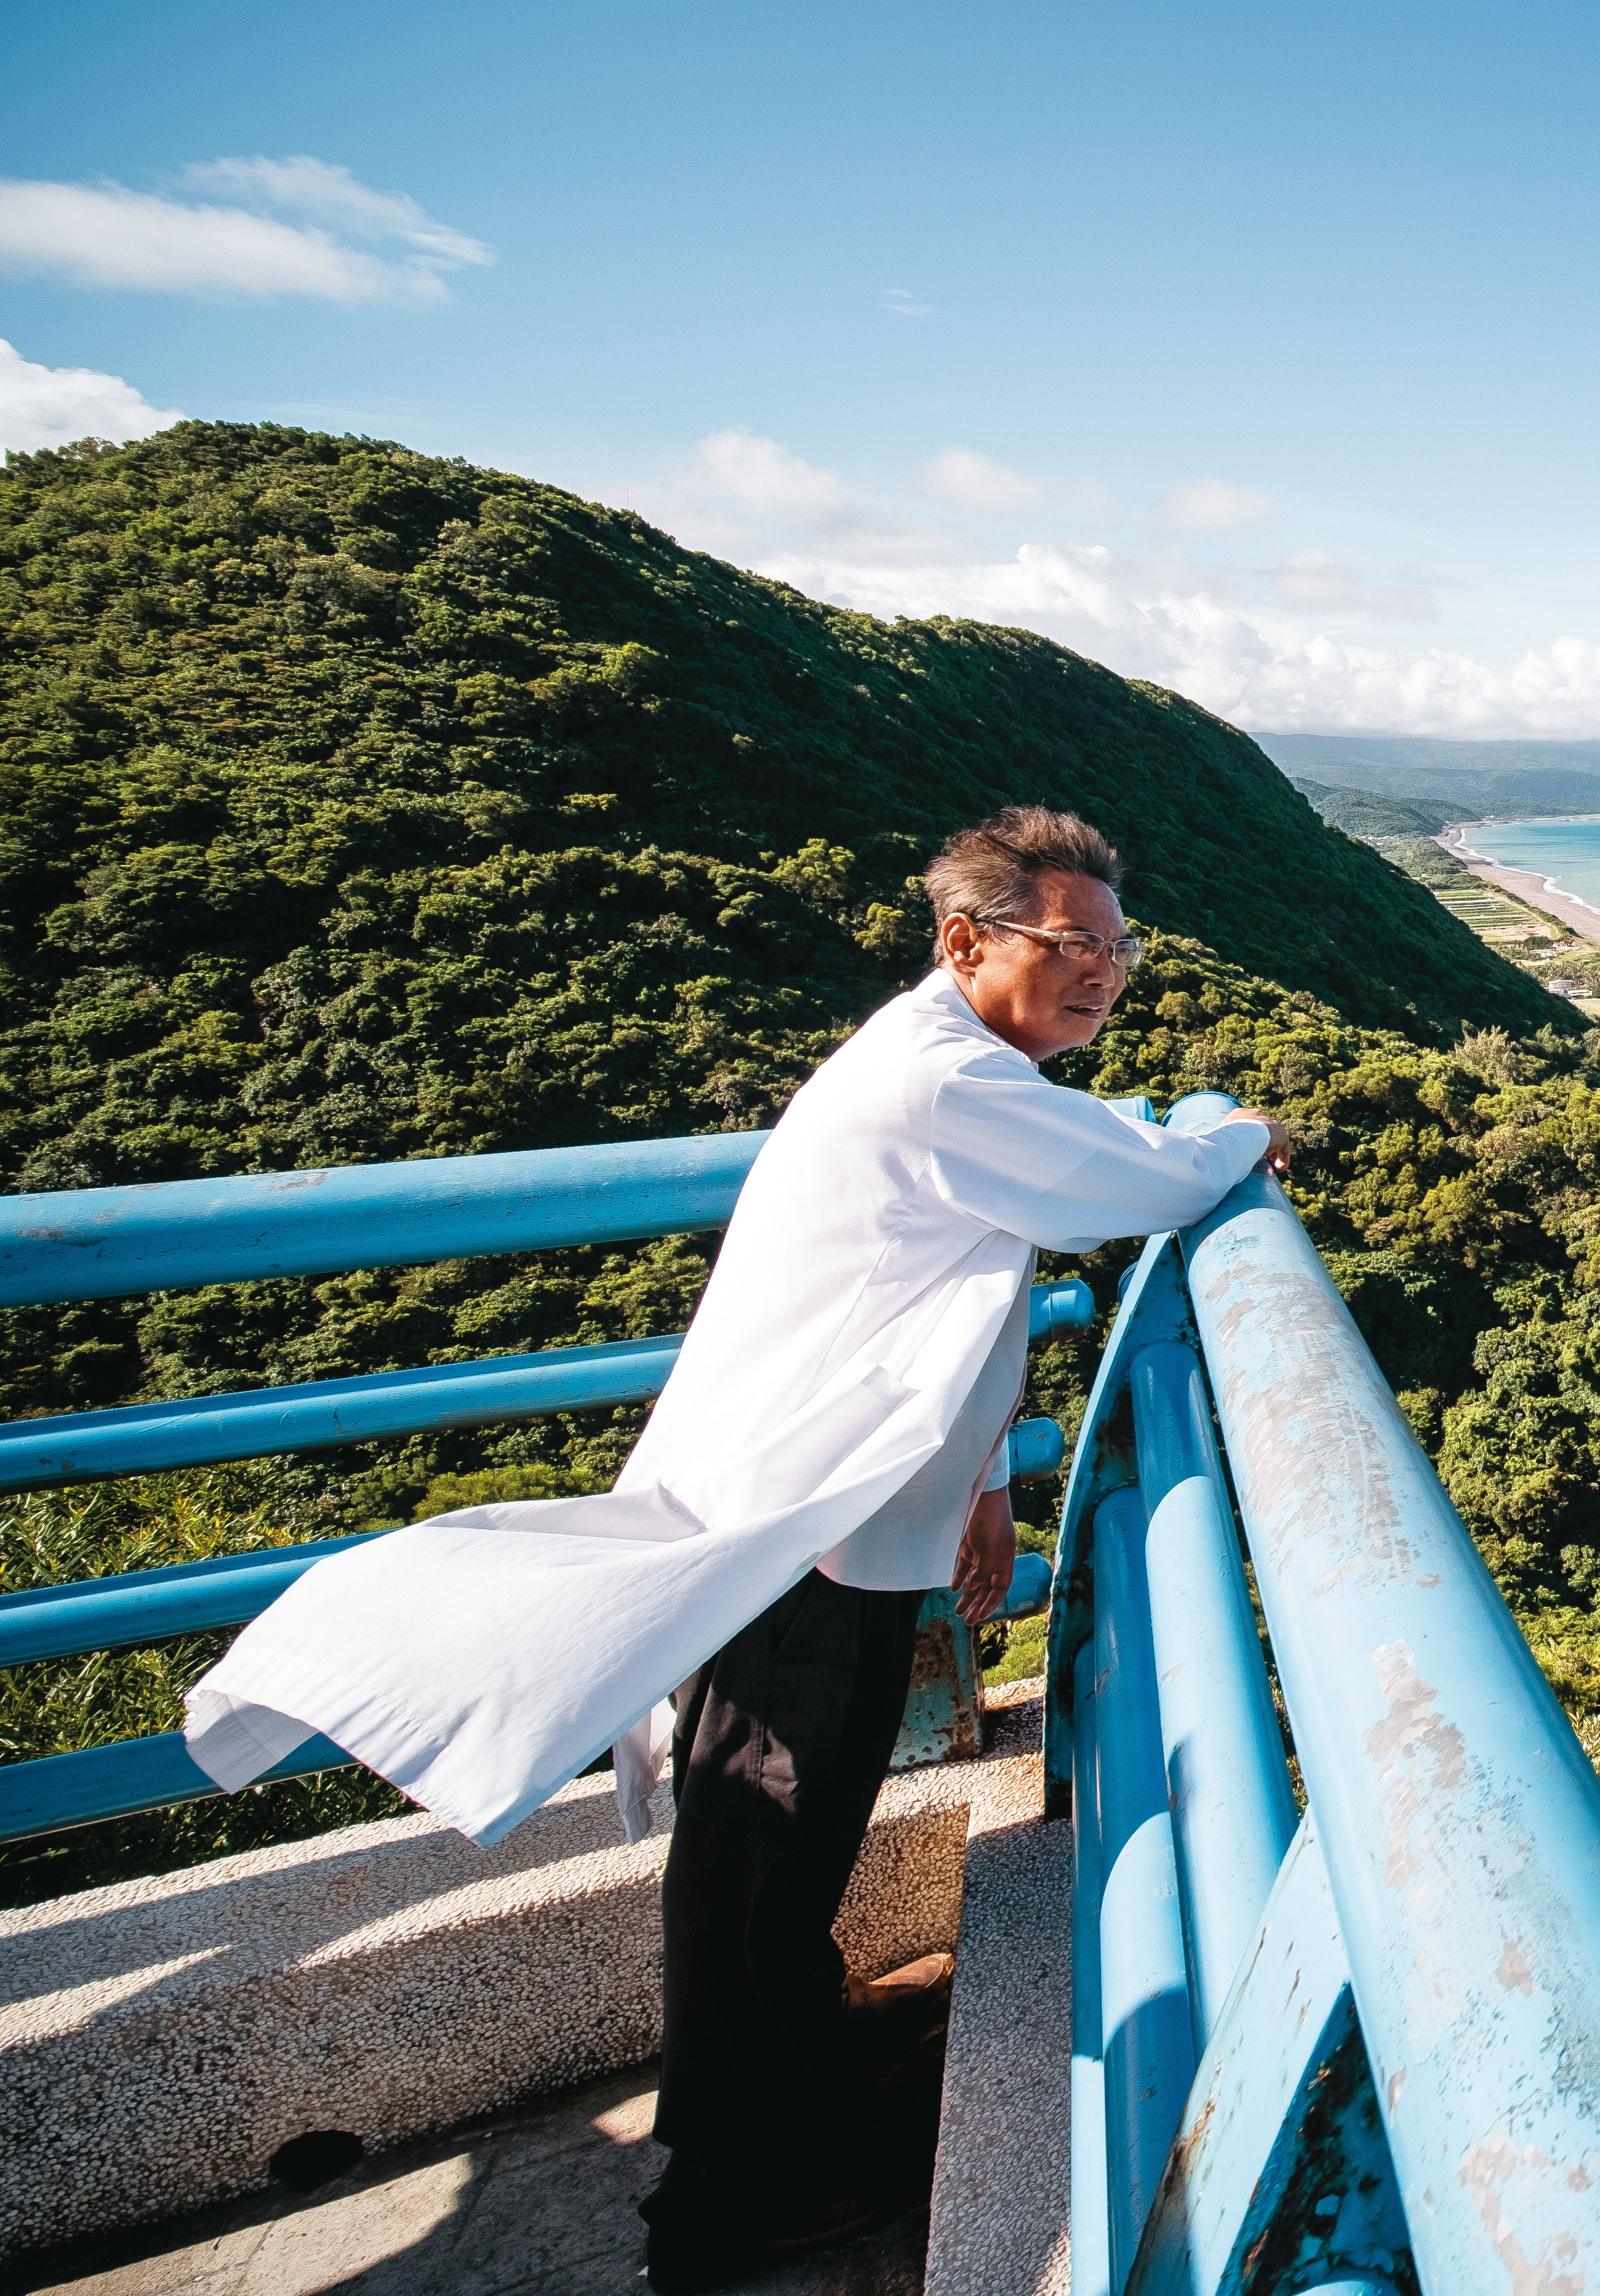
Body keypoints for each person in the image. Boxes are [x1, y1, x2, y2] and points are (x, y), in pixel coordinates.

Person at [185, 807, 1288, 2287]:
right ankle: (732, 2192)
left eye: (1120, 948)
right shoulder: (947, 1080)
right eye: (1075, 942)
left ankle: (787, 2076)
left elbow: (947, 1283)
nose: (1106, 973)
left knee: (781, 1833)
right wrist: (1244, 1133)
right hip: (804, 1539)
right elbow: (1151, 1181)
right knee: (758, 1843)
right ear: (969, 940)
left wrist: (976, 1477)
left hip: (834, 1517)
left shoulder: (952, 1065)